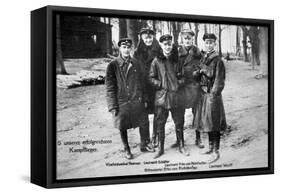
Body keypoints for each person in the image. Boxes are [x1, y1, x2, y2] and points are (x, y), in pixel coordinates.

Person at [105, 38, 154, 160]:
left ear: (131, 49)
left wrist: (146, 98)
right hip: (122, 101)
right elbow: (110, 88)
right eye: (124, 47)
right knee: (122, 125)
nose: (126, 50)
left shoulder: (137, 63)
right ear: (119, 49)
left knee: (144, 122)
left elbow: (144, 82)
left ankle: (144, 144)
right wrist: (112, 106)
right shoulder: (113, 65)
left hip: (137, 99)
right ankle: (126, 148)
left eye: (128, 47)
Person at [149, 34, 189, 159]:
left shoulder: (177, 60)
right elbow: (150, 77)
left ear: (172, 45)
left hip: (176, 96)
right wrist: (160, 84)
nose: (167, 47)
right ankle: (160, 148)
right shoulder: (156, 61)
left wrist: (178, 83)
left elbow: (184, 77)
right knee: (160, 123)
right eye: (165, 44)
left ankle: (181, 145)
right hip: (162, 97)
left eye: (169, 44)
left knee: (179, 122)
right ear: (161, 45)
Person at [193, 33, 227, 163]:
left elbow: (219, 80)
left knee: (215, 124)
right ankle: (210, 147)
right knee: (207, 122)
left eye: (211, 42)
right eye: (206, 42)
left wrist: (213, 94)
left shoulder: (218, 60)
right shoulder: (203, 58)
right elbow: (198, 74)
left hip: (213, 96)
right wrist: (198, 72)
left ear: (215, 44)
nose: (208, 45)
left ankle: (216, 151)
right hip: (203, 95)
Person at [134, 28, 162, 148]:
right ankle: (144, 140)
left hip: (156, 86)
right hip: (143, 87)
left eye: (150, 37)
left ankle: (156, 136)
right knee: (142, 114)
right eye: (146, 37)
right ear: (141, 38)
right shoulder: (137, 52)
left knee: (158, 113)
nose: (148, 39)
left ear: (153, 37)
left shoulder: (159, 50)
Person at [177, 29, 204, 149]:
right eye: (185, 38)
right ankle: (180, 141)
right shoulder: (176, 53)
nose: (187, 40)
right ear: (182, 39)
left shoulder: (198, 53)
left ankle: (198, 139)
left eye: (189, 38)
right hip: (181, 88)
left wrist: (198, 73)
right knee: (179, 115)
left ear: (192, 39)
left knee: (197, 114)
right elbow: (173, 68)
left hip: (194, 87)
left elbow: (204, 69)